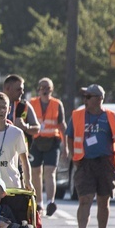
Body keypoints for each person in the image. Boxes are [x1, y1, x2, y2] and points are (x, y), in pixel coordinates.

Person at [66, 84, 115, 228]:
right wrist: (70, 153)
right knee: (84, 199)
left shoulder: (112, 116)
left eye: (88, 97)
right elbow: (70, 136)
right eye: (85, 97)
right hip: (84, 163)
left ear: (99, 99)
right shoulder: (77, 116)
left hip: (106, 163)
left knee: (104, 201)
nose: (85, 100)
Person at [29, 78, 67, 216]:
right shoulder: (31, 103)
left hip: (53, 141)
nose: (45, 90)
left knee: (50, 172)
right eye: (42, 87)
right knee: (35, 173)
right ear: (38, 89)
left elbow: (62, 126)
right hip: (35, 142)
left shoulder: (57, 104)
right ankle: (39, 204)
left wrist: (66, 147)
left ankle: (51, 202)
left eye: (48, 88)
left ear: (52, 89)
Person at [2, 74, 40, 144]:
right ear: (7, 88)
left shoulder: (24, 105)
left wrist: (25, 127)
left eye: (22, 89)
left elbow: (37, 129)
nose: (22, 92)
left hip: (19, 149)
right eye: (18, 89)